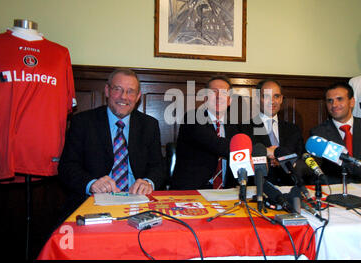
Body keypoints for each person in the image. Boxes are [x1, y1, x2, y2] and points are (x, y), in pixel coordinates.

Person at [59, 68, 165, 214]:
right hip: (93, 202)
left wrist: (148, 182)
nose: (124, 97)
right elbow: (67, 167)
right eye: (118, 89)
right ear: (107, 91)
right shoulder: (83, 122)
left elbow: (158, 167)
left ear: (138, 96)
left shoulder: (149, 125)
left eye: (130, 91)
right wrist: (91, 184)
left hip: (137, 202)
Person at [170, 76, 240, 190]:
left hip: (226, 192)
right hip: (192, 191)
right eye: (213, 92)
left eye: (223, 93)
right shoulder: (193, 118)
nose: (218, 97)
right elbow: (215, 143)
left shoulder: (233, 127)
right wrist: (262, 151)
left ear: (229, 101)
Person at [244, 79, 306, 186]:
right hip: (259, 188)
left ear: (281, 99)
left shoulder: (293, 129)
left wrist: (286, 162)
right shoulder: (245, 128)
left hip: (290, 187)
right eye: (266, 97)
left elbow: (302, 159)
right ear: (258, 99)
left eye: (276, 96)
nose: (272, 101)